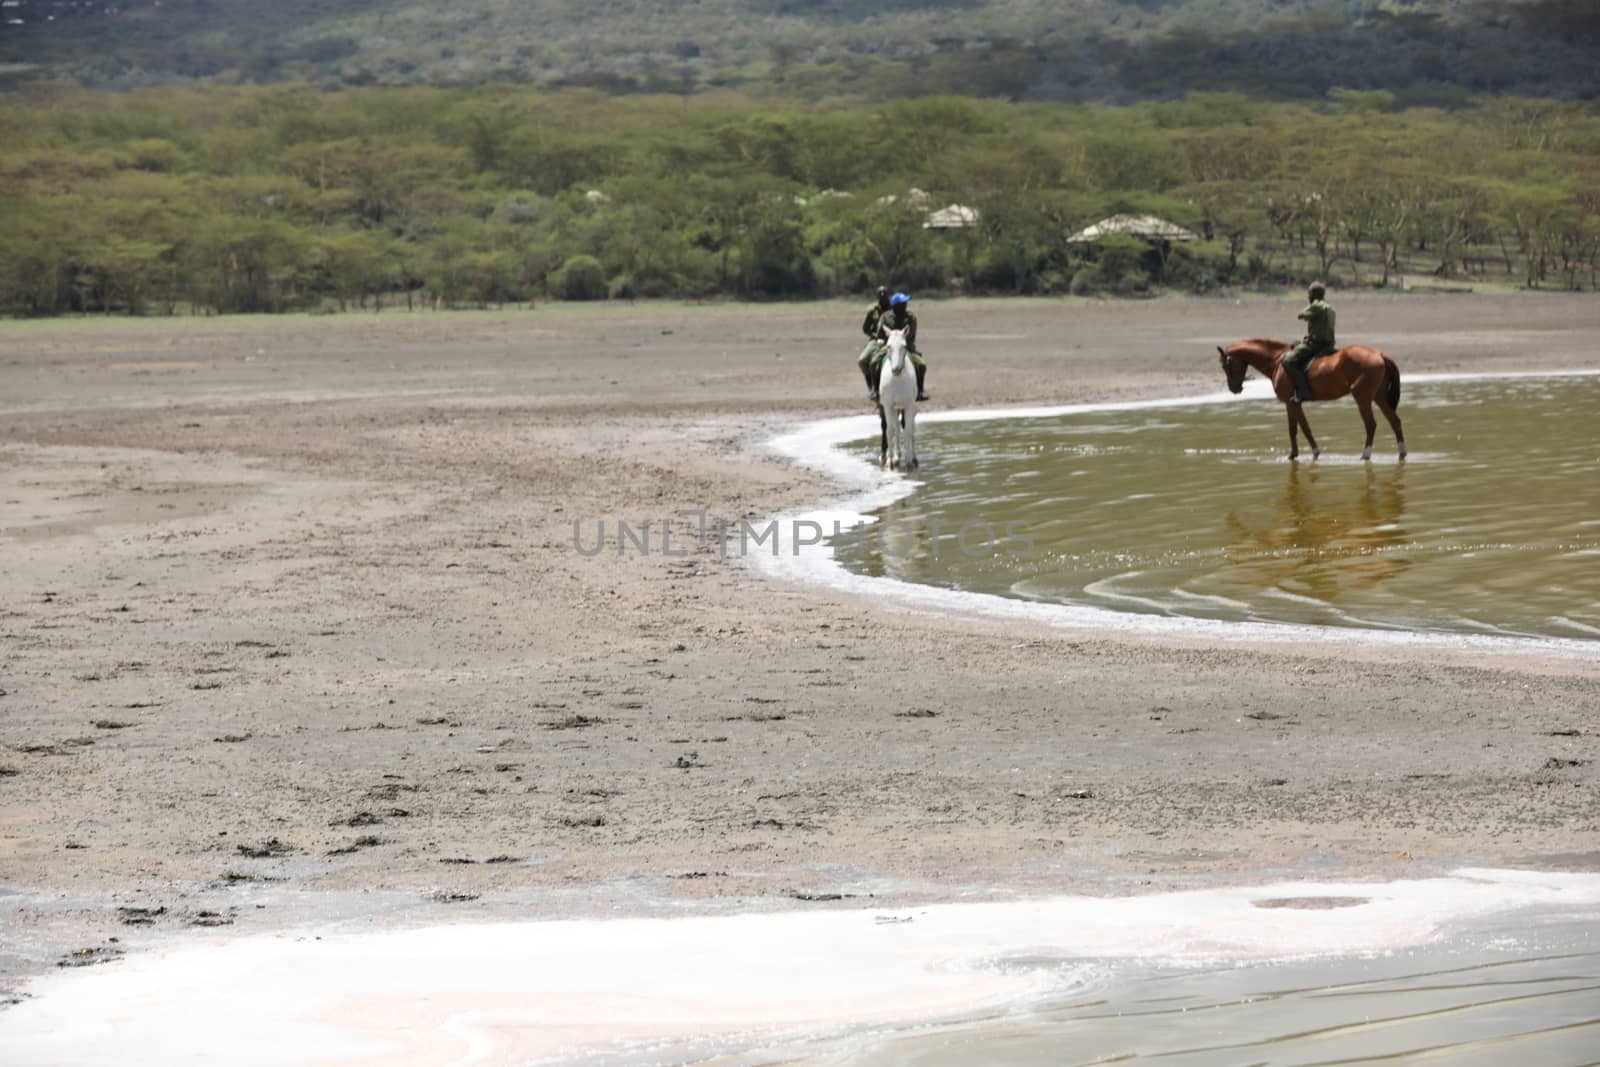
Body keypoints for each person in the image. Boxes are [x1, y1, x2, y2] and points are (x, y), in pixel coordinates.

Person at [1283, 281, 1336, 403]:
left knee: (1288, 361)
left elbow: (1301, 315)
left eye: (1309, 293)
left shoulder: (1316, 305)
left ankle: (1302, 391)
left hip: (1315, 344)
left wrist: (1309, 306)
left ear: (1314, 294)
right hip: (1329, 344)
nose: (1308, 296)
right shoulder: (1329, 307)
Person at [874, 291, 928, 402]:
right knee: (874, 362)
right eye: (903, 303)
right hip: (890, 346)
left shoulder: (911, 316)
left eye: (905, 303)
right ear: (896, 306)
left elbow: (911, 334)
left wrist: (901, 341)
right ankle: (875, 390)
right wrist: (884, 341)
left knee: (921, 364)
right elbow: (880, 332)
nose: (905, 305)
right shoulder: (885, 317)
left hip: (905, 346)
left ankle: (920, 391)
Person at [855, 286, 893, 399]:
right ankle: (871, 387)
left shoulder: (894, 308)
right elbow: (865, 328)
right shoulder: (872, 310)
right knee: (862, 360)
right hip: (876, 340)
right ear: (877, 296)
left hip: (891, 339)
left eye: (884, 293)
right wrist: (875, 336)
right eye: (880, 293)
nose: (882, 295)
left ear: (888, 295)